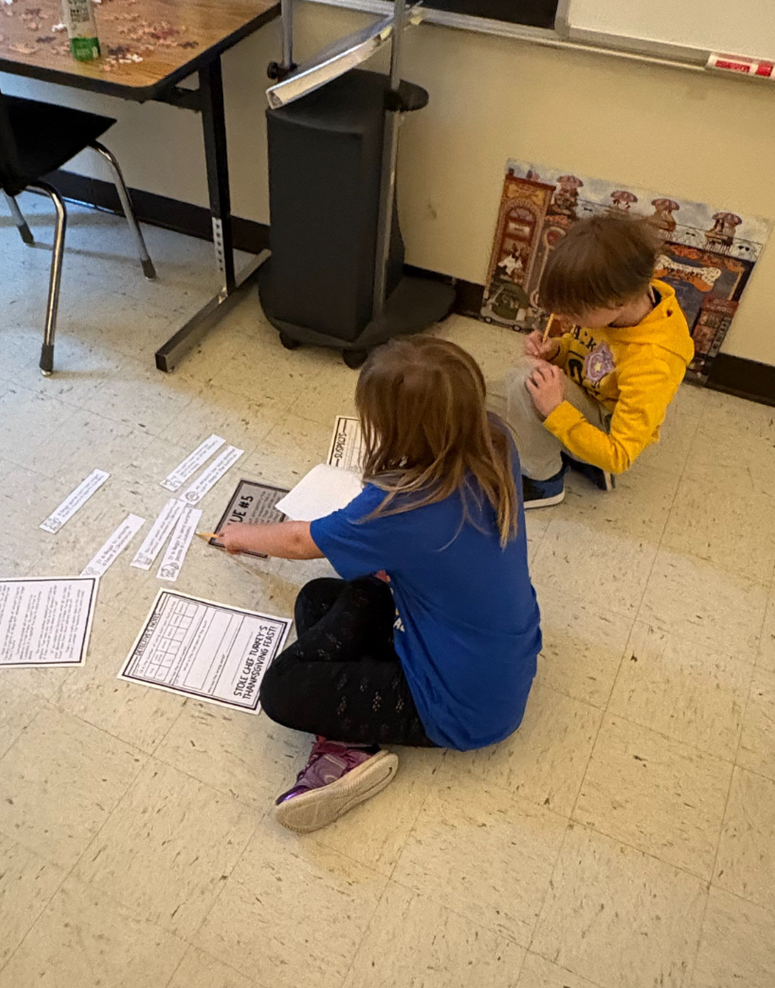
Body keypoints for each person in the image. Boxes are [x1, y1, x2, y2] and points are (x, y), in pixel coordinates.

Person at [217, 337, 541, 833]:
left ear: (392, 430)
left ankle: (345, 751)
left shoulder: (396, 505)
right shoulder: (495, 440)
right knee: (321, 596)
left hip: (461, 708)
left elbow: (301, 541)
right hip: (496, 661)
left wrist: (242, 535)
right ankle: (348, 727)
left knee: (281, 689)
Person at [505, 213, 694, 509]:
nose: (563, 317)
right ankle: (579, 456)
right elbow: (587, 352)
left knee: (527, 381)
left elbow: (620, 456)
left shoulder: (653, 360)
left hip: (605, 431)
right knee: (522, 382)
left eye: (574, 313)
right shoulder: (616, 300)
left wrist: (556, 411)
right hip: (589, 401)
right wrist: (557, 351)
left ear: (618, 303)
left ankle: (544, 481)